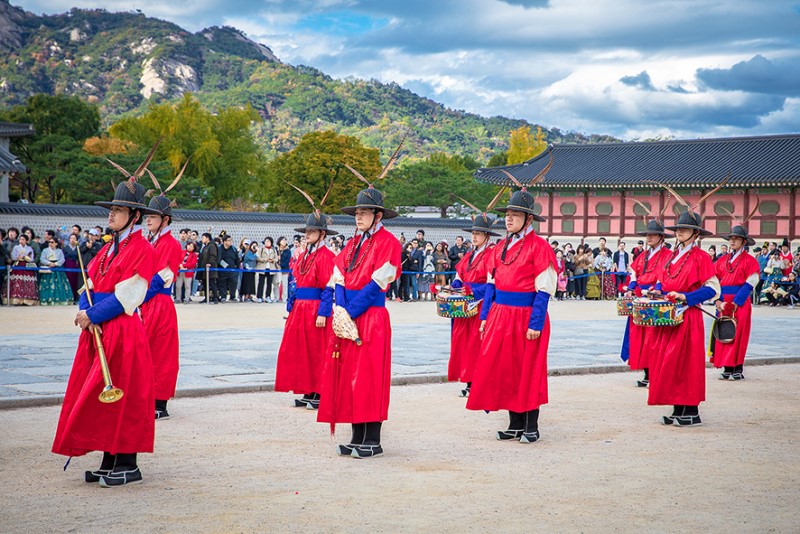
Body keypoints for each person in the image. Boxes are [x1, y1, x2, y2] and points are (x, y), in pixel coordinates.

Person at [52, 149, 158, 487]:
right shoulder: (108, 247)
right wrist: (85, 308)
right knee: (98, 392)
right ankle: (108, 456)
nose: (111, 215)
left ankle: (128, 462)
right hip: (99, 329)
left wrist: (93, 313)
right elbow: (90, 280)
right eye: (111, 210)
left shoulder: (143, 249)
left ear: (134, 216)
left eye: (118, 210)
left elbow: (130, 294)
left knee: (123, 394)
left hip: (122, 331)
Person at [466, 177, 558, 444]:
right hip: (500, 314)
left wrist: (536, 323)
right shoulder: (500, 248)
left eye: (515, 215)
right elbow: (491, 285)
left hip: (526, 314)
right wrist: (484, 316)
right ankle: (514, 423)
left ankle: (531, 424)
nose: (508, 219)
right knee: (505, 368)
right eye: (507, 214)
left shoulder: (540, 248)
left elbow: (544, 289)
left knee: (527, 368)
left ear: (528, 219)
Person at [317, 177, 402, 459]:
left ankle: (373, 439)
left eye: (363, 213)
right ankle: (355, 436)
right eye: (356, 213)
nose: (358, 217)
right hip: (348, 317)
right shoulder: (352, 243)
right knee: (349, 376)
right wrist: (340, 310)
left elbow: (378, 283)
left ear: (377, 215)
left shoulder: (389, 243)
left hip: (371, 317)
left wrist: (349, 312)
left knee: (369, 377)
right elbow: (338, 276)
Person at [649, 203, 721, 427]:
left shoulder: (701, 257)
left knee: (686, 363)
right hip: (669, 316)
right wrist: (657, 291)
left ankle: (691, 410)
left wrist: (685, 297)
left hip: (688, 317)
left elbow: (713, 289)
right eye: (677, 228)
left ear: (696, 233)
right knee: (669, 362)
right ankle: (677, 407)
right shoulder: (671, 257)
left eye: (684, 228)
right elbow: (663, 281)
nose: (679, 232)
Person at [275, 191, 337, 410]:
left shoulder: (327, 256)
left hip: (315, 309)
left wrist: (323, 312)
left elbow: (329, 286)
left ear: (322, 233)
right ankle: (308, 389)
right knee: (301, 351)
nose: (307, 234)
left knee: (317, 350)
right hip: (300, 308)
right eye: (306, 231)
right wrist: (291, 307)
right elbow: (296, 282)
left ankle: (320, 390)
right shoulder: (305, 254)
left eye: (311, 231)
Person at [449, 201, 502, 397]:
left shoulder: (490, 255)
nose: (474, 237)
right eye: (473, 233)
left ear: (487, 236)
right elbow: (458, 278)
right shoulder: (469, 255)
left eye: (478, 234)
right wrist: (450, 290)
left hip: (480, 305)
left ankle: (480, 382)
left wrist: (470, 291)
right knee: (465, 346)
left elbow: (491, 285)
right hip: (465, 307)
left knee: (478, 344)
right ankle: (470, 380)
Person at [140, 187, 184, 420]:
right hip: (146, 301)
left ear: (164, 219)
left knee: (160, 353)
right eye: (146, 215)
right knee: (143, 350)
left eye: (152, 216)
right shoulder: (150, 241)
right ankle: (145, 397)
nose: (147, 219)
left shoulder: (170, 244)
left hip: (159, 302)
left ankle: (160, 402)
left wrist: (138, 296)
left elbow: (162, 277)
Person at [621, 219, 673, 387]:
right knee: (640, 337)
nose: (649, 238)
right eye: (648, 235)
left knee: (653, 338)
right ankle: (646, 372)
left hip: (654, 299)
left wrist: (658, 288)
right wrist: (630, 287)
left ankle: (655, 374)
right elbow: (634, 273)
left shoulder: (667, 255)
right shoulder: (643, 255)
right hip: (640, 298)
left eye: (653, 235)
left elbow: (663, 275)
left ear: (661, 237)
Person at [713, 224, 760, 380]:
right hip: (723, 302)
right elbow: (714, 281)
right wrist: (718, 301)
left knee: (738, 334)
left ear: (743, 242)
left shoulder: (750, 260)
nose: (732, 242)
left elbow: (751, 282)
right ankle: (727, 367)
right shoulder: (722, 260)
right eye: (731, 238)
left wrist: (736, 302)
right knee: (724, 332)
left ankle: (737, 367)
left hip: (739, 302)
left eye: (736, 239)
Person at [38, 236, 73, 305]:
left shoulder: (59, 251)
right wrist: (49, 263)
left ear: (56, 243)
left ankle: (60, 300)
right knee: (47, 284)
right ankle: (47, 299)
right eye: (49, 242)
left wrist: (56, 263)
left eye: (52, 242)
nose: (50, 244)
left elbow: (62, 259)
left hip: (57, 268)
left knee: (60, 284)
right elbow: (42, 259)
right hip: (48, 267)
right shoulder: (45, 250)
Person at [9, 233, 39, 306]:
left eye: (23, 239)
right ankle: (16, 299)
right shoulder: (16, 247)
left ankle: (27, 299)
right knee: (17, 281)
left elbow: (31, 258)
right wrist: (18, 257)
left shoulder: (29, 248)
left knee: (27, 282)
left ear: (26, 241)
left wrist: (26, 257)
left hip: (27, 265)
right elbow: (13, 256)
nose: (21, 241)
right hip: (18, 264)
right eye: (20, 239)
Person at [198, 232, 219, 303]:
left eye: (203, 238)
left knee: (212, 283)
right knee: (205, 284)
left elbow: (213, 255)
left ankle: (215, 297)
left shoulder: (212, 246)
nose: (202, 239)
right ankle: (206, 297)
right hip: (204, 269)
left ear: (207, 238)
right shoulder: (205, 247)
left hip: (211, 268)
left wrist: (210, 262)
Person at [218, 235, 239, 302]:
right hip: (222, 270)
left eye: (231, 240)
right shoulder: (219, 248)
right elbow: (218, 259)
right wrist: (224, 265)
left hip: (232, 270)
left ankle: (232, 297)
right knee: (222, 284)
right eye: (229, 240)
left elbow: (237, 259)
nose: (230, 242)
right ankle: (223, 297)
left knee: (233, 283)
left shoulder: (233, 249)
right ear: (224, 241)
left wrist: (237, 268)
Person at [257, 237, 278, 302]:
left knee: (269, 283)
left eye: (268, 241)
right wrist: (265, 260)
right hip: (263, 267)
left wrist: (272, 260)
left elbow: (276, 259)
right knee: (261, 283)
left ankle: (267, 296)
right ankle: (259, 297)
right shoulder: (261, 249)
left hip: (271, 268)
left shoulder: (274, 250)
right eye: (266, 241)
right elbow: (258, 257)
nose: (267, 243)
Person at [63, 233, 81, 301]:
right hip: (67, 264)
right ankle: (68, 297)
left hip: (75, 265)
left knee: (75, 281)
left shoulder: (78, 248)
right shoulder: (66, 248)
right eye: (71, 238)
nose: (72, 240)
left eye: (74, 238)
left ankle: (75, 297)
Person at [275, 237, 291, 302]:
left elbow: (287, 260)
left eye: (285, 240)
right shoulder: (276, 249)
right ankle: (276, 297)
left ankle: (284, 297)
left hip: (284, 269)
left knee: (284, 284)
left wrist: (281, 265)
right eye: (283, 240)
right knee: (276, 283)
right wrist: (277, 264)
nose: (284, 242)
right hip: (276, 268)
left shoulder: (287, 250)